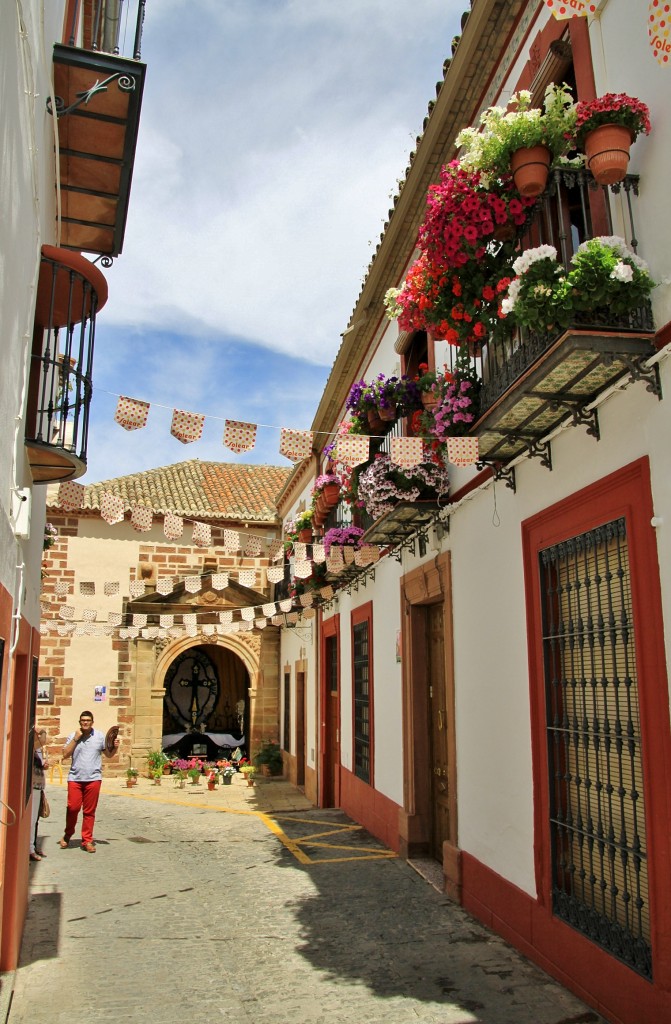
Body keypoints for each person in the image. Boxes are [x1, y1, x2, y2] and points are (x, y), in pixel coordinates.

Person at [59, 711, 119, 853]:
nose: (85, 722)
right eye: (83, 720)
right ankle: (68, 834)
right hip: (75, 779)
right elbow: (65, 754)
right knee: (72, 808)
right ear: (79, 722)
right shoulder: (73, 736)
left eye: (88, 720)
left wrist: (115, 747)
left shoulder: (99, 736)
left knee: (89, 811)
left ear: (92, 722)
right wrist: (76, 739)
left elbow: (108, 754)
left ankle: (87, 840)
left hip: (93, 779)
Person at [30, 728, 49, 862]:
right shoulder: (32, 746)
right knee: (31, 820)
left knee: (35, 820)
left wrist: (44, 765)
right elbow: (42, 741)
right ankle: (30, 849)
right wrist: (42, 732)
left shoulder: (38, 750)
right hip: (33, 786)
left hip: (38, 786)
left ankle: (33, 846)